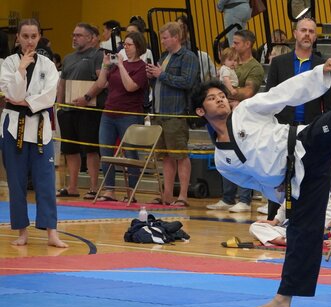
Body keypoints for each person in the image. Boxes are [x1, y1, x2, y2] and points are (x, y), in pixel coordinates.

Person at [192, 50, 331, 307]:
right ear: (200, 110)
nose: (220, 101)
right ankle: (283, 300)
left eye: (221, 96)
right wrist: (279, 200)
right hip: (295, 181)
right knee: (302, 234)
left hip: (304, 145)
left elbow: (283, 93)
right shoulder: (222, 160)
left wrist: (318, 74)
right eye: (212, 99)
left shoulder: (246, 111)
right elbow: (255, 182)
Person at [0, 18, 67, 248]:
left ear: (39, 37)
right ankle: (22, 232)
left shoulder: (48, 65)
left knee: (46, 181)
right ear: (17, 37)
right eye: (25, 36)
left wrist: (24, 101)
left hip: (40, 128)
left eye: (33, 36)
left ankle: (52, 232)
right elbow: (9, 91)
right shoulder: (8, 63)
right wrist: (20, 69)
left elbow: (50, 96)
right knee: (16, 182)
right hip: (12, 128)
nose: (29, 41)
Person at [262, 18, 331, 219]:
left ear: (315, 36)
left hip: (309, 129)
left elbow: (328, 106)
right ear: (295, 33)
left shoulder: (322, 64)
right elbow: (269, 99)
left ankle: (307, 217)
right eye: (303, 30)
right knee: (277, 174)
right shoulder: (279, 63)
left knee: (307, 175)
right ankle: (272, 219)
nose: (307, 35)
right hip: (282, 128)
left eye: (311, 31)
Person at [207, 29, 265, 213]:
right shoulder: (229, 64)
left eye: (237, 43)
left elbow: (249, 92)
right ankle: (227, 197)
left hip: (242, 115)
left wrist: (227, 92)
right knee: (225, 154)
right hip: (224, 115)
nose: (233, 46)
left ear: (248, 44)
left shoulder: (254, 67)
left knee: (242, 154)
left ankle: (245, 199)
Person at [146, 22, 199, 207]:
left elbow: (187, 81)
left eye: (165, 37)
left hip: (176, 113)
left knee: (180, 155)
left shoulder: (188, 57)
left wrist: (161, 75)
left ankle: (183, 195)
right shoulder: (165, 56)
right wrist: (152, 76)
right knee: (165, 156)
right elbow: (161, 81)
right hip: (159, 113)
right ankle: (167, 194)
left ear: (176, 37)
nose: (162, 41)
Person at [95, 31, 149, 202]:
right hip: (109, 113)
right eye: (124, 44)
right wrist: (105, 65)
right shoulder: (120, 64)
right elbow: (101, 83)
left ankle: (130, 191)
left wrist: (120, 66)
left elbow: (130, 87)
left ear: (138, 47)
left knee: (131, 153)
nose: (125, 47)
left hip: (129, 115)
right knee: (105, 151)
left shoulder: (142, 67)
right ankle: (109, 189)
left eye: (129, 44)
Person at [56, 22, 105, 199]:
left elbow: (103, 82)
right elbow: (62, 82)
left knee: (91, 149)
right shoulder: (69, 58)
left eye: (79, 35)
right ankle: (72, 187)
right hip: (68, 109)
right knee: (70, 149)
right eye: (73, 35)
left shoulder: (98, 56)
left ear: (91, 38)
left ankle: (93, 188)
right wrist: (59, 104)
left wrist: (86, 98)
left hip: (89, 109)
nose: (74, 38)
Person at [251, 196, 331, 247]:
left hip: (306, 229)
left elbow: (329, 214)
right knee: (255, 226)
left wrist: (316, 230)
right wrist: (275, 221)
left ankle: (289, 240)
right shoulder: (292, 184)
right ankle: (285, 241)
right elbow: (283, 208)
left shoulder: (319, 187)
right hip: (287, 229)